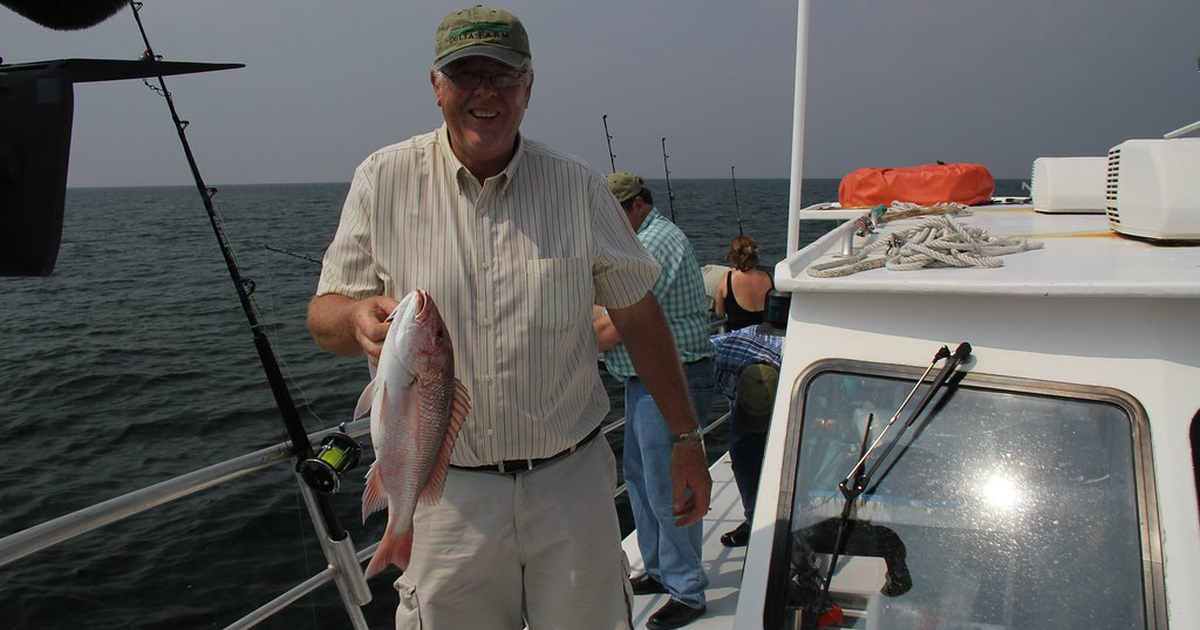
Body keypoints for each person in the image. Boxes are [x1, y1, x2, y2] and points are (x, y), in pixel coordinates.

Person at [305, 8, 711, 630]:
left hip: (569, 487)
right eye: (466, 74)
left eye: (503, 75)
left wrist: (686, 440)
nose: (485, 92)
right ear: (436, 86)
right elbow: (324, 311)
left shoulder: (579, 188)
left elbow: (638, 311)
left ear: (528, 87)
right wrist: (355, 317)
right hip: (444, 496)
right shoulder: (382, 179)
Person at [592, 172, 715, 630]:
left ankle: (687, 589)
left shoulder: (654, 244)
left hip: (671, 381)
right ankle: (661, 570)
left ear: (640, 205)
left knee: (670, 486)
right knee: (640, 479)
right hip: (640, 381)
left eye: (619, 211)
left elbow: (608, 330)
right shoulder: (635, 244)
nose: (612, 222)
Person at [710, 325, 783, 547]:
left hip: (775, 377)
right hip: (743, 373)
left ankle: (788, 518)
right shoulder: (715, 356)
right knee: (743, 453)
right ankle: (755, 520)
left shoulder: (792, 358)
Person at [713, 235, 774, 330]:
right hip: (765, 337)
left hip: (738, 338)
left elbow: (719, 313)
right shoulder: (769, 277)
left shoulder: (726, 279)